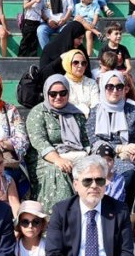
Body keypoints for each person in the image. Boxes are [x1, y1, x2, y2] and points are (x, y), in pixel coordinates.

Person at [25, 75, 90, 214]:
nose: (58, 97)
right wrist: (58, 160)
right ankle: (60, 217)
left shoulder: (77, 114)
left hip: (75, 154)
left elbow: (86, 140)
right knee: (57, 172)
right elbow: (39, 141)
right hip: (45, 158)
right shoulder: (38, 113)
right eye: (53, 94)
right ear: (46, 93)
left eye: (63, 93)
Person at [86, 70, 135, 200]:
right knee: (125, 173)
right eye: (110, 86)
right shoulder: (96, 111)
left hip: (131, 157)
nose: (115, 90)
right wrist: (120, 149)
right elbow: (93, 140)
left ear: (124, 89)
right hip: (104, 156)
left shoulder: (132, 109)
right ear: (103, 88)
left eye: (119, 86)